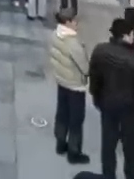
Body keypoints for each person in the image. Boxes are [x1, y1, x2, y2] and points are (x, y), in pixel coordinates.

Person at [88, 18, 134, 179]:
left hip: (107, 105)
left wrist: (97, 99)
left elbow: (94, 78)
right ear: (126, 35)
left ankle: (108, 175)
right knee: (130, 150)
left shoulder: (100, 50)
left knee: (108, 146)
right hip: (130, 110)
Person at [49, 9, 91, 165]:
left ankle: (60, 143)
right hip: (75, 85)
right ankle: (74, 152)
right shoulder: (73, 43)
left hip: (62, 80)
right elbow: (85, 68)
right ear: (67, 22)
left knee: (62, 113)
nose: (76, 23)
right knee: (76, 120)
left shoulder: (55, 34)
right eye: (74, 20)